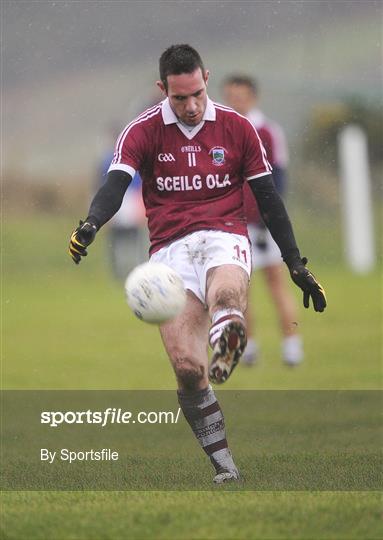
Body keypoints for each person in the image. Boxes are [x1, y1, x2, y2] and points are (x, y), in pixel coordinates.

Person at [69, 44, 326, 484]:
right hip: (168, 249)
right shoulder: (142, 131)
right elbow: (116, 181)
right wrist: (92, 223)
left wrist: (295, 262)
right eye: (179, 98)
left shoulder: (237, 127)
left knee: (226, 291)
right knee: (188, 369)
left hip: (224, 233)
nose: (190, 106)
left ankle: (227, 330)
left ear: (206, 78)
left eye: (197, 94)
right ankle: (225, 466)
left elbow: (269, 198)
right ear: (162, 89)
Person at [222, 75, 303, 366]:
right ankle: (249, 345)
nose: (236, 102)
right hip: (233, 225)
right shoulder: (223, 131)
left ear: (253, 97)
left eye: (241, 96)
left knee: (276, 282)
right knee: (239, 287)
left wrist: (268, 218)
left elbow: (277, 180)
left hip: (263, 226)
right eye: (231, 96)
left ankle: (291, 345)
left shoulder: (268, 132)